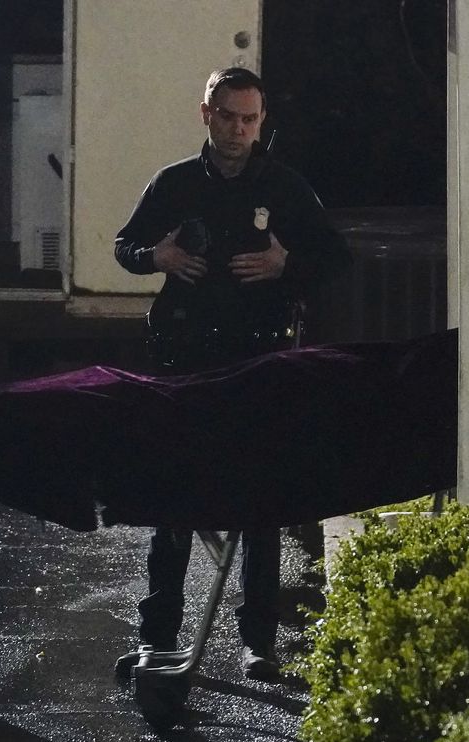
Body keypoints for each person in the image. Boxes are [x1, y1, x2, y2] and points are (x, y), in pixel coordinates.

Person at [114, 66, 351, 680]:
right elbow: (126, 246)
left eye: (249, 119)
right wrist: (155, 257)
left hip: (256, 352)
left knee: (260, 499)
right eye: (227, 116)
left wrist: (286, 265)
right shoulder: (174, 183)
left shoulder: (284, 185)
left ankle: (259, 641)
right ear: (206, 113)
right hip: (184, 351)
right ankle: (158, 632)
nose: (238, 130)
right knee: (171, 493)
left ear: (262, 120)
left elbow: (335, 257)